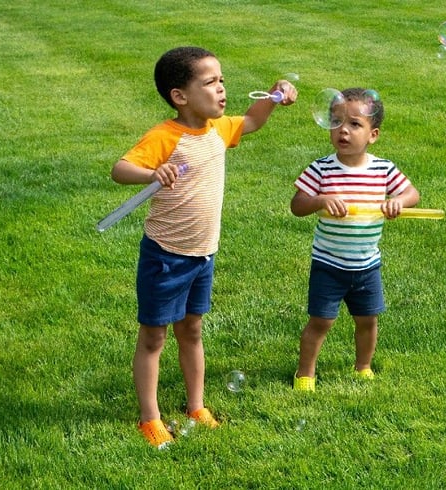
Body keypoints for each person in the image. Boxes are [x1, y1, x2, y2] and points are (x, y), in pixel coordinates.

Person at [110, 46, 297, 448]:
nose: (222, 88)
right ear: (180, 96)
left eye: (222, 80)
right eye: (210, 82)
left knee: (192, 330)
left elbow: (251, 120)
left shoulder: (218, 129)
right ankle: (150, 418)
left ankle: (196, 406)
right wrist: (151, 173)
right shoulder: (165, 137)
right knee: (153, 337)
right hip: (166, 256)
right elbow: (120, 169)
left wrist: (274, 95)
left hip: (202, 254)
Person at [290, 88, 420, 392]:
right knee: (321, 322)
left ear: (373, 135)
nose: (343, 130)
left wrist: (398, 201)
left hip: (367, 265)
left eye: (354, 124)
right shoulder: (321, 169)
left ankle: (363, 367)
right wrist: (321, 200)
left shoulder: (383, 169)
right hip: (328, 264)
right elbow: (297, 205)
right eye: (336, 122)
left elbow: (412, 193)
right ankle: (305, 374)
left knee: (368, 320)